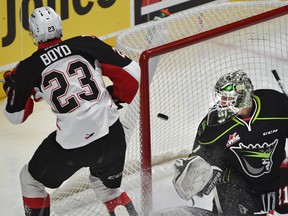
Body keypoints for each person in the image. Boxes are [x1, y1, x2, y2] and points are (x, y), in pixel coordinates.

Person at [2, 6, 140, 216]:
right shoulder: (87, 43)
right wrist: (116, 95)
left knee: (29, 181)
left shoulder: (28, 68)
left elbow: (16, 116)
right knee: (106, 186)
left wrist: (13, 87)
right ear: (60, 26)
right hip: (112, 138)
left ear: (32, 34)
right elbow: (133, 74)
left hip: (71, 149)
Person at [171, 70, 288, 215]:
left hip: (278, 179)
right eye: (221, 98)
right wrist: (190, 171)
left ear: (243, 98)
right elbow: (200, 159)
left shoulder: (277, 105)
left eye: (227, 98)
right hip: (237, 188)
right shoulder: (213, 125)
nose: (221, 103)